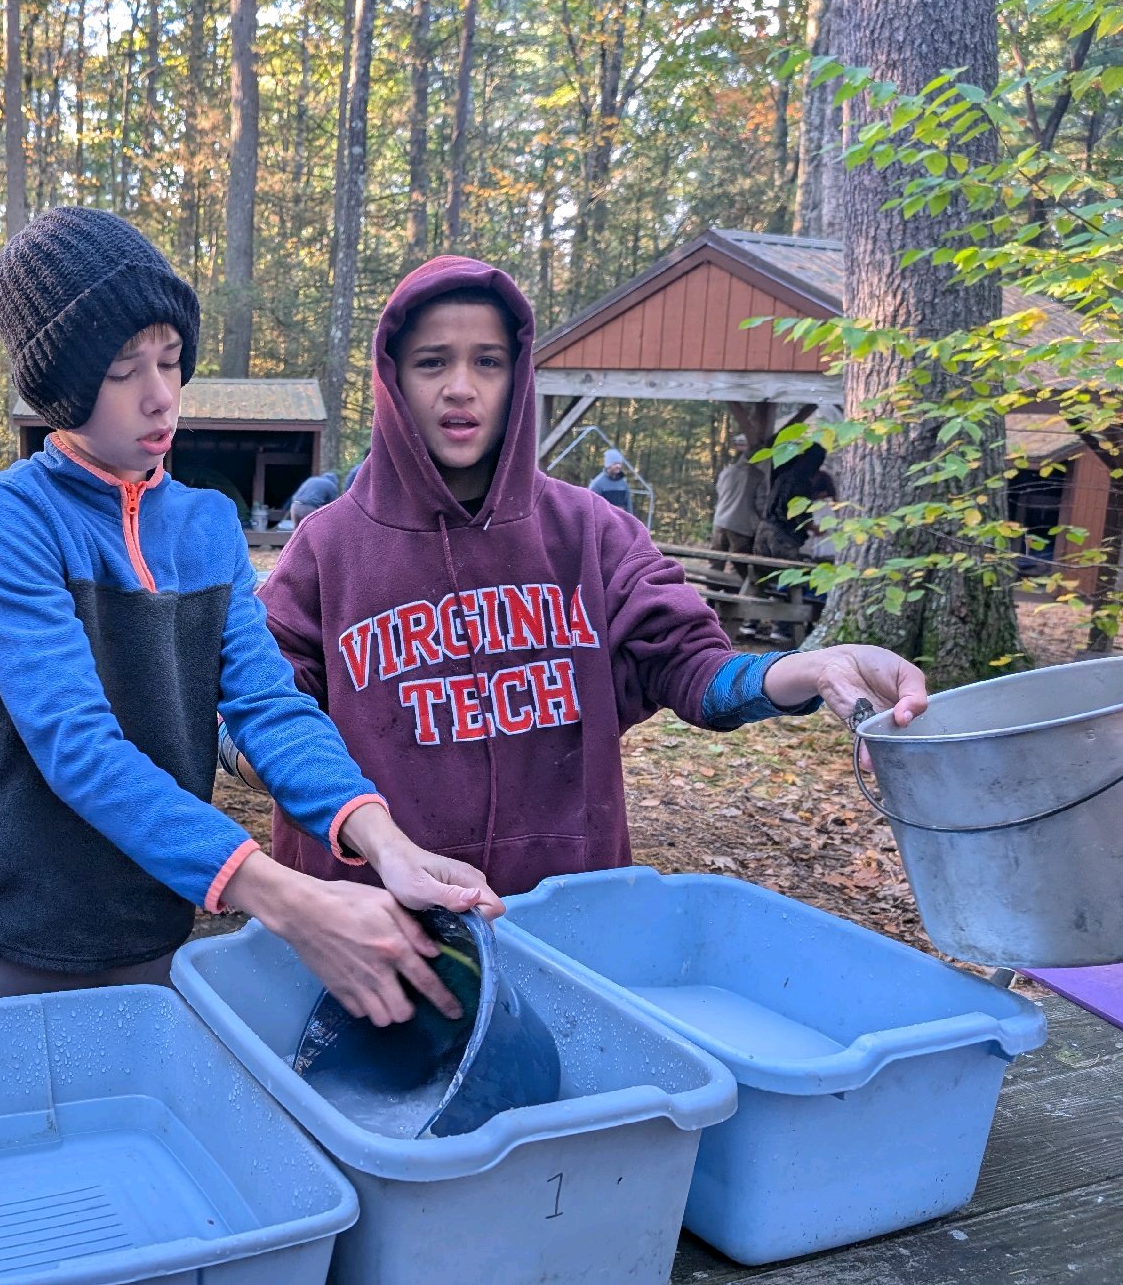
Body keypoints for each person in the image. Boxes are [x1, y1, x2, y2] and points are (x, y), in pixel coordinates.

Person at [0, 208, 500, 1025]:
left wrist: (383, 840)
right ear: (61, 385)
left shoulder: (206, 524)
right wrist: (285, 899)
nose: (162, 396)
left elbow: (268, 705)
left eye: (169, 360)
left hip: (153, 913)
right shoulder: (11, 517)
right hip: (9, 927)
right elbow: (76, 747)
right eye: (124, 370)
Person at [227, 255, 928, 899]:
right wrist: (318, 794)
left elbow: (693, 672)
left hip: (565, 914)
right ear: (393, 379)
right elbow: (255, 717)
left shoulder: (591, 532)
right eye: (433, 362)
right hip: (370, 920)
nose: (461, 387)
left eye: (489, 362)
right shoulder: (328, 547)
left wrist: (805, 672)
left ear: (520, 375)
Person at [710, 433, 766, 587]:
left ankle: (711, 599)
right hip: (741, 526)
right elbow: (760, 504)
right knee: (739, 565)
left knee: (716, 562)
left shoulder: (727, 472)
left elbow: (719, 491)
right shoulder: (757, 476)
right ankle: (733, 596)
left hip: (720, 522)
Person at [587, 447, 633, 515]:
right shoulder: (598, 483)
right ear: (608, 465)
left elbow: (628, 504)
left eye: (619, 463)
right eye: (615, 463)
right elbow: (591, 505)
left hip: (620, 521)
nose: (618, 466)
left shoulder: (623, 483)